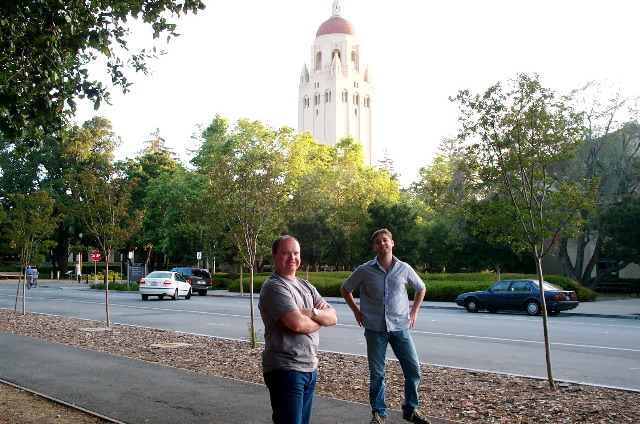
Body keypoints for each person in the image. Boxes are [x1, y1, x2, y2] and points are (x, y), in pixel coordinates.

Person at [341, 229, 430, 424]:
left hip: (400, 327)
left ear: (392, 243)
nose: (383, 244)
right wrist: (356, 311)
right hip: (374, 329)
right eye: (378, 242)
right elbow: (345, 289)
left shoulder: (404, 268)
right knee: (377, 374)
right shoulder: (364, 270)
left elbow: (420, 288)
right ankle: (379, 413)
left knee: (413, 369)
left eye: (385, 241)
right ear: (374, 246)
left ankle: (410, 410)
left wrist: (413, 312)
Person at [258, 235, 337, 424]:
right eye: (286, 253)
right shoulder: (274, 287)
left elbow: (333, 317)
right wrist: (319, 319)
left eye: (296, 253)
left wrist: (311, 312)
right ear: (274, 255)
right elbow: (297, 324)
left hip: (309, 367)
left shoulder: (305, 286)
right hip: (285, 369)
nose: (292, 258)